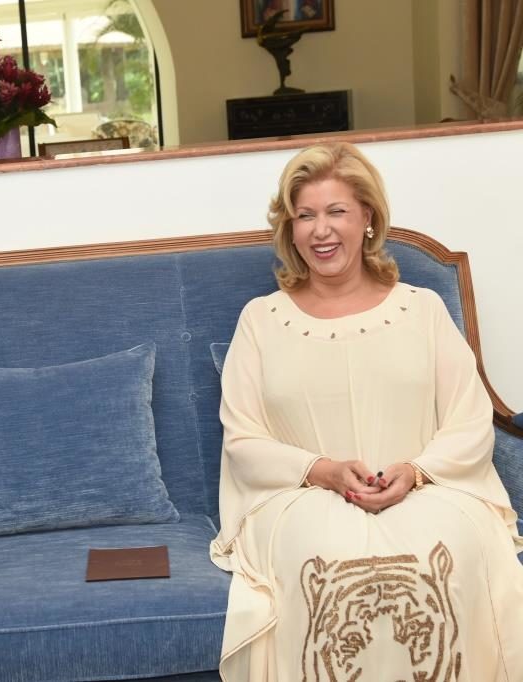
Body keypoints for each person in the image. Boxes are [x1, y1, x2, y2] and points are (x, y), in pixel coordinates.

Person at [210, 142, 523, 680]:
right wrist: (324, 471)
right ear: (290, 229)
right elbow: (242, 440)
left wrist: (417, 471)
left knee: (437, 557)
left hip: (430, 488)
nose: (320, 230)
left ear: (368, 220)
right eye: (305, 215)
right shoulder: (260, 320)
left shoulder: (422, 309)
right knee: (331, 563)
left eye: (336, 212)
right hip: (300, 496)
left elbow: (470, 418)